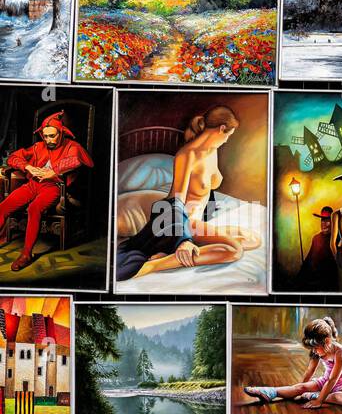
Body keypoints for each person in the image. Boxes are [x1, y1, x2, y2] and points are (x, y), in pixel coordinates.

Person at [116, 103, 260, 282]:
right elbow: (176, 201)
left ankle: (166, 252)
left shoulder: (212, 151)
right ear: (222, 129)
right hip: (180, 223)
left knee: (252, 239)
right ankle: (154, 264)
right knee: (234, 251)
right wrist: (183, 240)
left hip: (197, 223)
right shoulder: (187, 155)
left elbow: (209, 190)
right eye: (229, 135)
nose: (227, 140)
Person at [2, 111, 94, 272]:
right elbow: (13, 158)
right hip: (33, 184)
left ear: (62, 133)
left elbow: (80, 160)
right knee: (3, 207)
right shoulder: (39, 147)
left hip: (53, 187)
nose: (48, 140)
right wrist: (28, 166)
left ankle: (26, 254)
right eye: (45, 136)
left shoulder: (72, 146)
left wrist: (55, 171)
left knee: (34, 208)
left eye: (52, 136)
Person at [240, 316, 342, 411]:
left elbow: (333, 380)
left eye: (316, 348)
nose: (315, 351)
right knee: (299, 387)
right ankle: (268, 392)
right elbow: (310, 371)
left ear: (327, 341)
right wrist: (299, 389)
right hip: (325, 382)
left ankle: (314, 395)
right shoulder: (317, 351)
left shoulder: (341, 353)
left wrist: (319, 400)